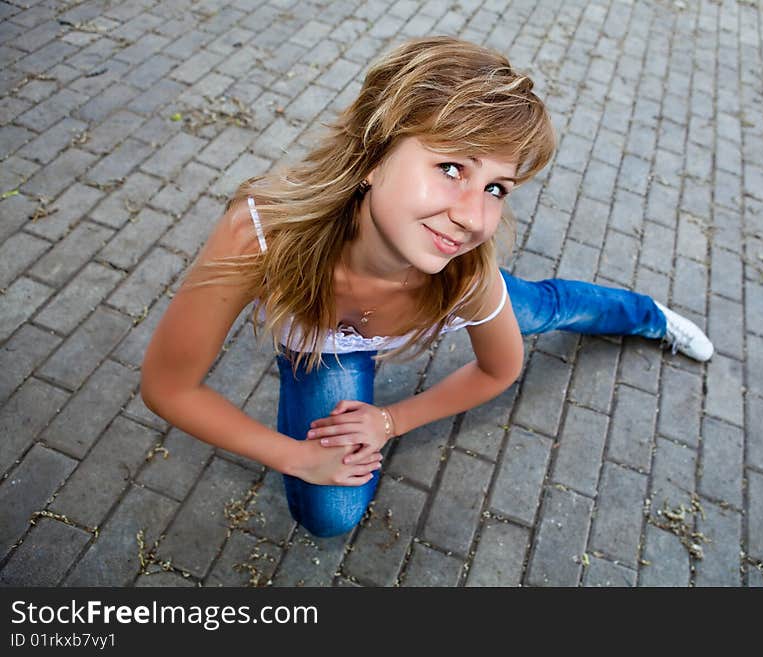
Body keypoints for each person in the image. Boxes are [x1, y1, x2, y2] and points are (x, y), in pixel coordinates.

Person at [140, 36, 713, 538]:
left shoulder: (470, 270)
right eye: (451, 168)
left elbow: (499, 369)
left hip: (451, 288)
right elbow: (169, 387)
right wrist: (298, 458)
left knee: (543, 306)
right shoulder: (263, 235)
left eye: (496, 188)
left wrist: (392, 421)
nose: (473, 217)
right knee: (330, 514)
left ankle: (649, 316)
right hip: (327, 344)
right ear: (372, 155)